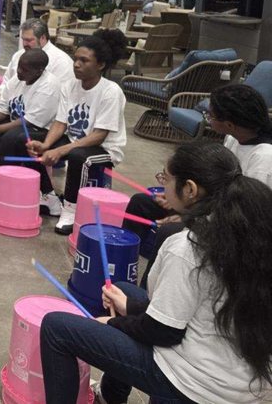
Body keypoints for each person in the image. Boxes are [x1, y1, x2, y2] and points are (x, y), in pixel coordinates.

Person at [39, 141, 272, 404]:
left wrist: (113, 323)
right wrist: (129, 307)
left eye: (166, 178)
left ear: (190, 189)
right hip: (242, 379)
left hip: (193, 384)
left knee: (57, 328)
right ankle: (112, 397)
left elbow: (164, 332)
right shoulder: (252, 230)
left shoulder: (188, 248)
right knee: (126, 292)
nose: (162, 184)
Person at [123, 83, 272, 284]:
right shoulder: (233, 138)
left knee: (170, 231)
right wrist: (182, 201)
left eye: (210, 116)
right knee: (140, 203)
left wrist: (190, 216)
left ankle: (146, 297)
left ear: (229, 124)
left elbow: (246, 216)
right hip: (209, 208)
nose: (207, 119)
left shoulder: (264, 157)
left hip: (234, 228)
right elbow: (215, 185)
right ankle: (125, 265)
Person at [26, 29, 128, 234]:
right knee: (24, 138)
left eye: (84, 60)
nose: (76, 64)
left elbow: (99, 135)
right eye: (75, 59)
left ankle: (71, 209)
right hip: (75, 140)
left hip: (103, 149)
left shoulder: (111, 92)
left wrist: (60, 151)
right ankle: (49, 196)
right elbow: (60, 123)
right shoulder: (70, 85)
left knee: (78, 155)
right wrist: (45, 145)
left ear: (100, 65)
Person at [0, 48, 63, 210]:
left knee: (10, 138)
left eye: (25, 69)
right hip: (17, 123)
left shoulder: (49, 86)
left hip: (42, 131)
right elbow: (2, 108)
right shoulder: (18, 79)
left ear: (39, 71)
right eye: (19, 66)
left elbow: (30, 121)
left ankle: (3, 187)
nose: (19, 71)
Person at [1, 18, 75, 90]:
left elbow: (62, 95)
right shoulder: (18, 55)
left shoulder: (61, 62)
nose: (24, 44)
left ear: (43, 38)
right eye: (23, 39)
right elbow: (5, 82)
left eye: (29, 40)